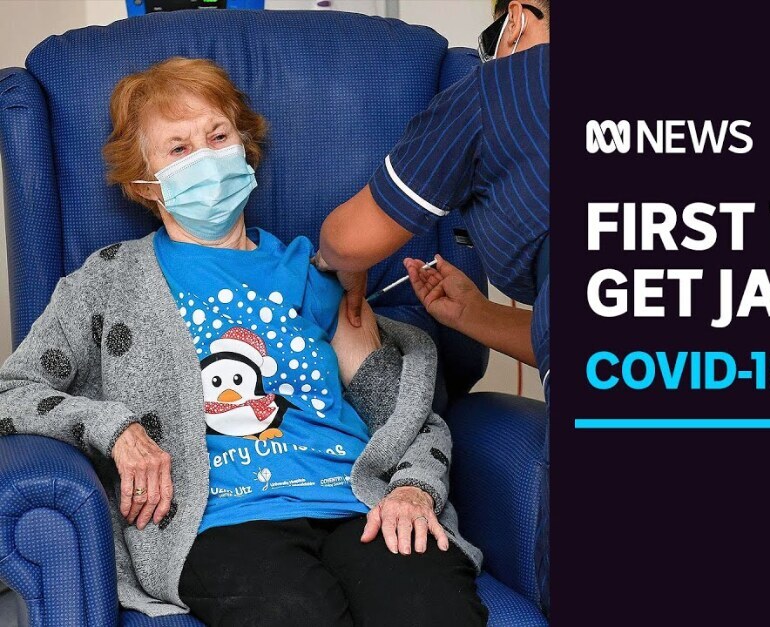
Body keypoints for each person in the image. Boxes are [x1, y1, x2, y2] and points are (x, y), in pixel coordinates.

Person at [0, 57, 486, 626]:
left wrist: (413, 488)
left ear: (245, 149)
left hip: (356, 501)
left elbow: (401, 414)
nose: (206, 158)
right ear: (143, 183)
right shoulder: (108, 282)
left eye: (218, 137)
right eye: (178, 148)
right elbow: (11, 394)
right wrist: (116, 428)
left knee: (432, 610)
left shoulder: (312, 273)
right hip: (222, 521)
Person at [318, 0, 551, 404]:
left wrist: (334, 259)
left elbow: (348, 242)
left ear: (515, 21)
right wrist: (475, 314)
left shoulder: (504, 85)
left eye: (490, 42)